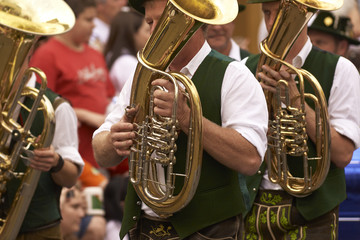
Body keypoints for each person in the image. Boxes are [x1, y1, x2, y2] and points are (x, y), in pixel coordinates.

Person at [92, 0, 269, 239]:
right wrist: (114, 139)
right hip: (144, 225)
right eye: (149, 23)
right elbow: (101, 155)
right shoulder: (141, 74)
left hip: (210, 229)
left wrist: (186, 117)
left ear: (192, 22)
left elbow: (250, 159)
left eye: (162, 22)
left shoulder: (234, 75)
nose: (152, 32)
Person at [242, 0, 360, 239]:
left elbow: (342, 154)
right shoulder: (246, 67)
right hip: (253, 207)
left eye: (282, 14)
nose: (272, 22)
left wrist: (296, 101)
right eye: (267, 13)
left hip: (313, 212)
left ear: (306, 15)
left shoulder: (341, 69)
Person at [30, 0, 115, 169]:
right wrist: (84, 114)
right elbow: (40, 104)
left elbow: (108, 95)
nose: (93, 26)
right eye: (88, 20)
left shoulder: (94, 54)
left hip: (99, 154)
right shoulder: (48, 53)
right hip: (69, 156)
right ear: (71, 20)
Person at [8, 75, 84, 239]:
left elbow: (71, 178)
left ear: (28, 52)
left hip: (38, 230)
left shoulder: (57, 106)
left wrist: (56, 162)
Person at [104, 7, 150, 96]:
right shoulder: (126, 62)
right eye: (147, 30)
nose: (152, 34)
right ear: (132, 34)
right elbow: (141, 94)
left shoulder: (119, 57)